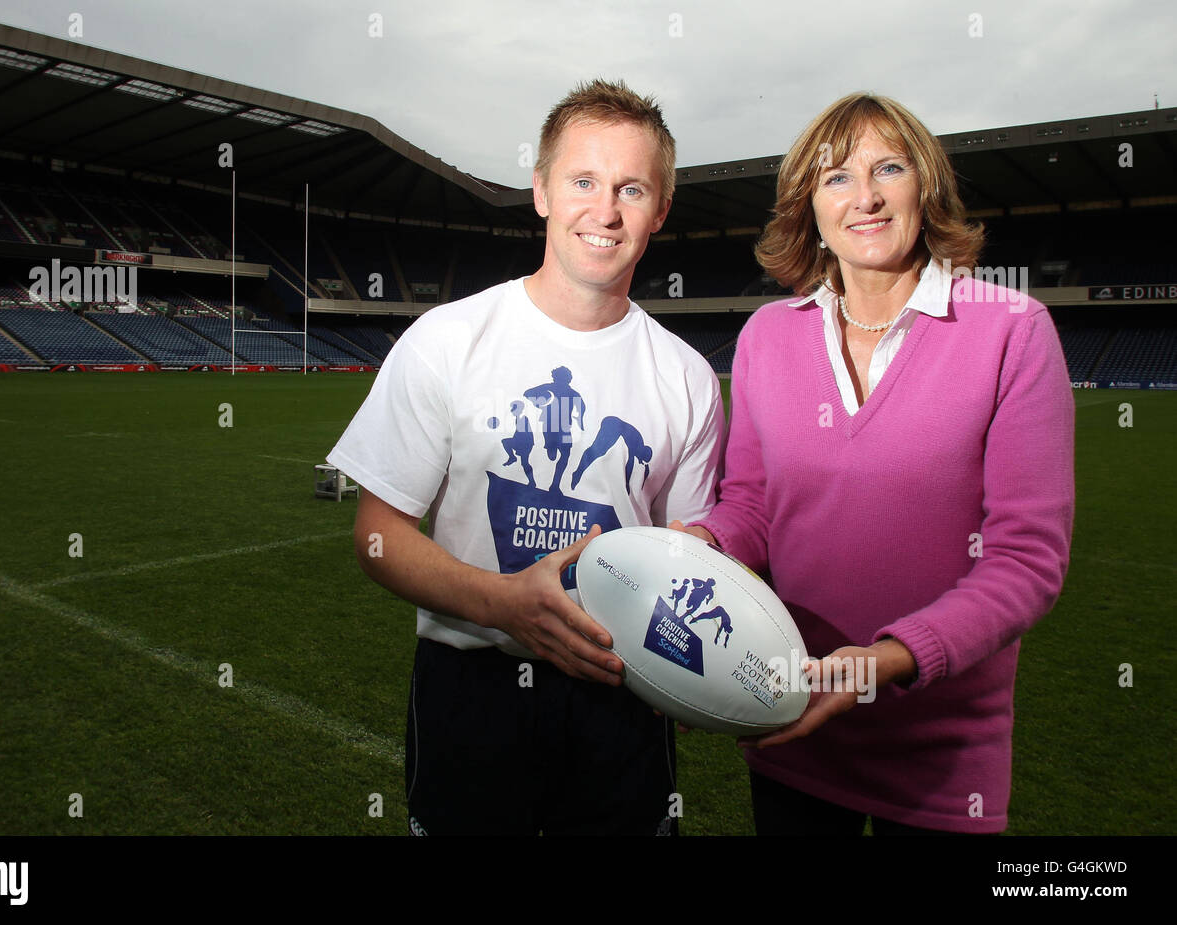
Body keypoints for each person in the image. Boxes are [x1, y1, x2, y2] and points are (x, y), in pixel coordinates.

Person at [327, 79, 724, 836]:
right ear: (540, 190)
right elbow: (375, 534)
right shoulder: (447, 339)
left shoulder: (688, 378)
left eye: (631, 188)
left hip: (623, 695)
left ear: (661, 210)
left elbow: (690, 557)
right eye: (583, 181)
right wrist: (503, 602)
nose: (604, 211)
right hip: (470, 689)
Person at [680, 93, 1074, 834]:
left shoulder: (1013, 331)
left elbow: (1027, 562)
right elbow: (754, 506)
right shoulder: (767, 335)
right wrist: (690, 547)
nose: (863, 197)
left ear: (924, 186)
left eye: (886, 168)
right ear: (810, 208)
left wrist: (885, 660)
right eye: (834, 177)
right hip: (792, 721)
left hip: (943, 757)